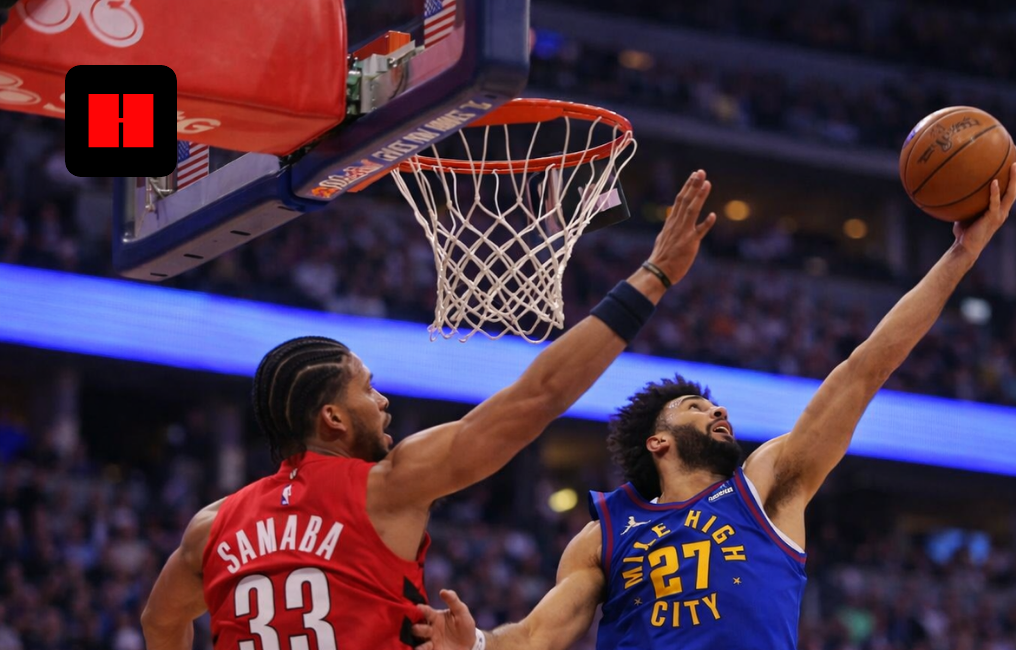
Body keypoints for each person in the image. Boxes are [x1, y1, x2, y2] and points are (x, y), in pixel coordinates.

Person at [414, 165, 1016, 650]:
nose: (716, 412)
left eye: (714, 406)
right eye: (693, 408)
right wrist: (476, 647)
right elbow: (539, 636)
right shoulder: (605, 533)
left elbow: (865, 370)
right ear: (659, 441)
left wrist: (960, 259)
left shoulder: (769, 485)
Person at [138, 171, 719, 650]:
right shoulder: (387, 487)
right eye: (367, 390)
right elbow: (538, 396)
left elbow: (160, 623)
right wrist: (655, 276)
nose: (382, 401)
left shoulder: (210, 528)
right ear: (333, 420)